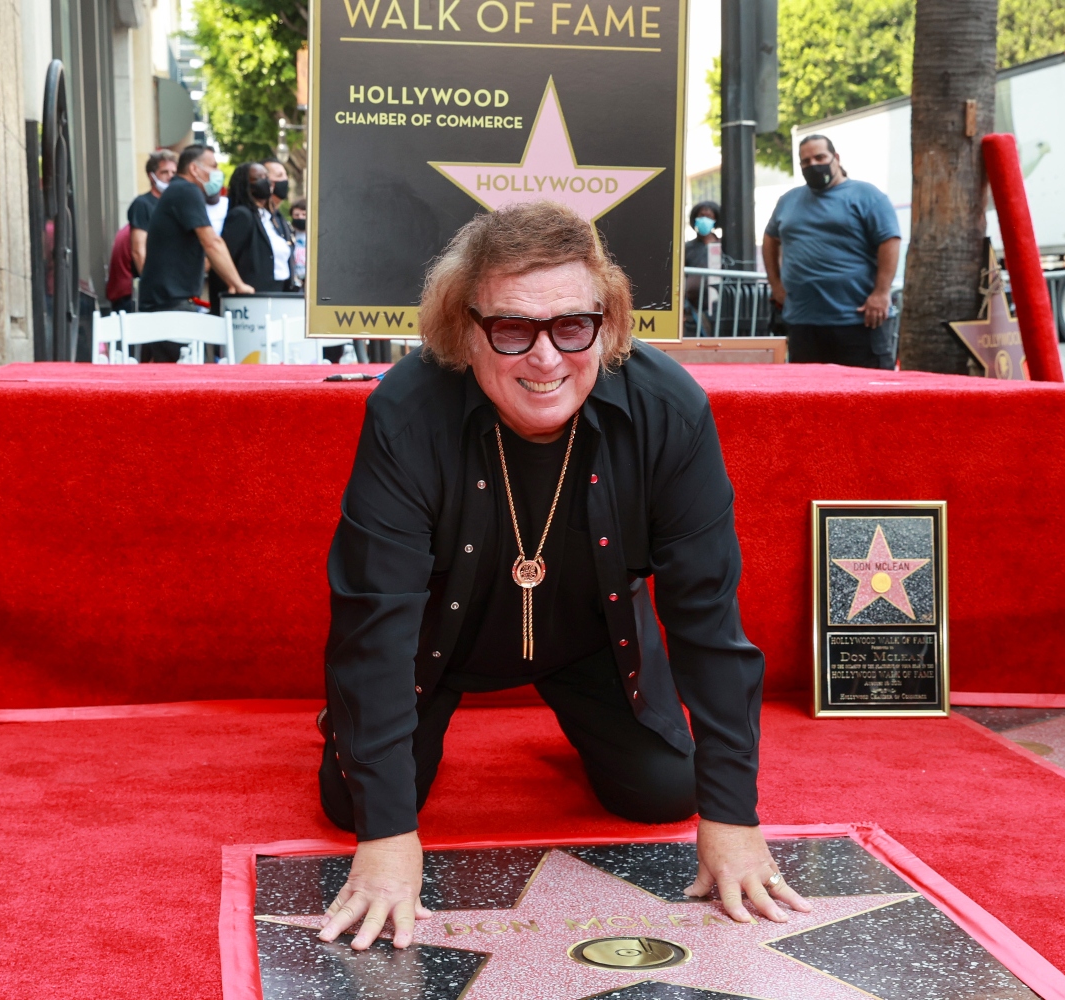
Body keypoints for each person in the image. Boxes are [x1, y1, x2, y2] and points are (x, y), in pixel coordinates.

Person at [315, 201, 810, 953]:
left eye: (572, 326)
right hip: (434, 645)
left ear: (607, 322)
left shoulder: (668, 410)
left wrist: (736, 818)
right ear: (463, 329)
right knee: (358, 806)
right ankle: (350, 731)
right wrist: (387, 839)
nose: (545, 359)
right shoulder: (406, 411)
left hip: (590, 636)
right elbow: (373, 625)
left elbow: (708, 618)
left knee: (665, 794)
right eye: (512, 328)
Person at [762, 136, 901, 369]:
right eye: (805, 161)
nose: (813, 165)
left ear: (835, 158)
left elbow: (890, 240)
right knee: (808, 398)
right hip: (803, 322)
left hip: (857, 321)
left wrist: (881, 292)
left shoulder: (867, 196)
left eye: (820, 157)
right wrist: (775, 284)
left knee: (866, 396)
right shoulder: (788, 200)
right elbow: (770, 238)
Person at [138, 144, 253, 361]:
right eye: (212, 166)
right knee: (184, 381)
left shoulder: (177, 191)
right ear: (194, 169)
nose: (217, 173)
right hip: (171, 305)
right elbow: (212, 243)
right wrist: (238, 285)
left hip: (167, 302)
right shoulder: (186, 191)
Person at [210, 162, 293, 311]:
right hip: (252, 301)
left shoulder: (271, 217)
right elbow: (224, 259)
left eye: (266, 177)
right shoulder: (242, 215)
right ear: (246, 185)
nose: (266, 181)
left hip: (278, 296)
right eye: (259, 178)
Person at [129, 149, 177, 276]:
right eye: (164, 172)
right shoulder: (142, 204)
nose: (171, 176)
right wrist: (149, 282)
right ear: (152, 176)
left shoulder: (177, 204)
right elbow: (138, 251)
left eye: (174, 172)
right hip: (156, 284)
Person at [683, 201, 721, 336]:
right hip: (692, 307)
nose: (705, 219)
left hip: (717, 306)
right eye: (701, 215)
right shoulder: (687, 247)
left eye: (709, 216)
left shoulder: (722, 246)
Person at [290, 198, 307, 286]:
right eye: (296, 215)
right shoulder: (288, 234)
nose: (300, 217)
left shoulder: (318, 236)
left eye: (304, 214)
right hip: (294, 282)